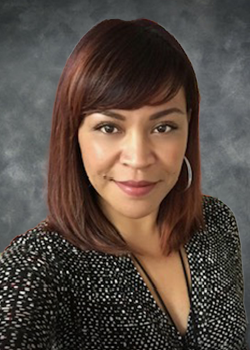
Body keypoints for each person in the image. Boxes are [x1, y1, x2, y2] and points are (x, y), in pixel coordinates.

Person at [0, 18, 248, 350]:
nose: (139, 158)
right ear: (73, 135)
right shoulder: (35, 267)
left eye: (163, 127)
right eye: (108, 127)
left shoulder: (216, 223)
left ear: (189, 127)